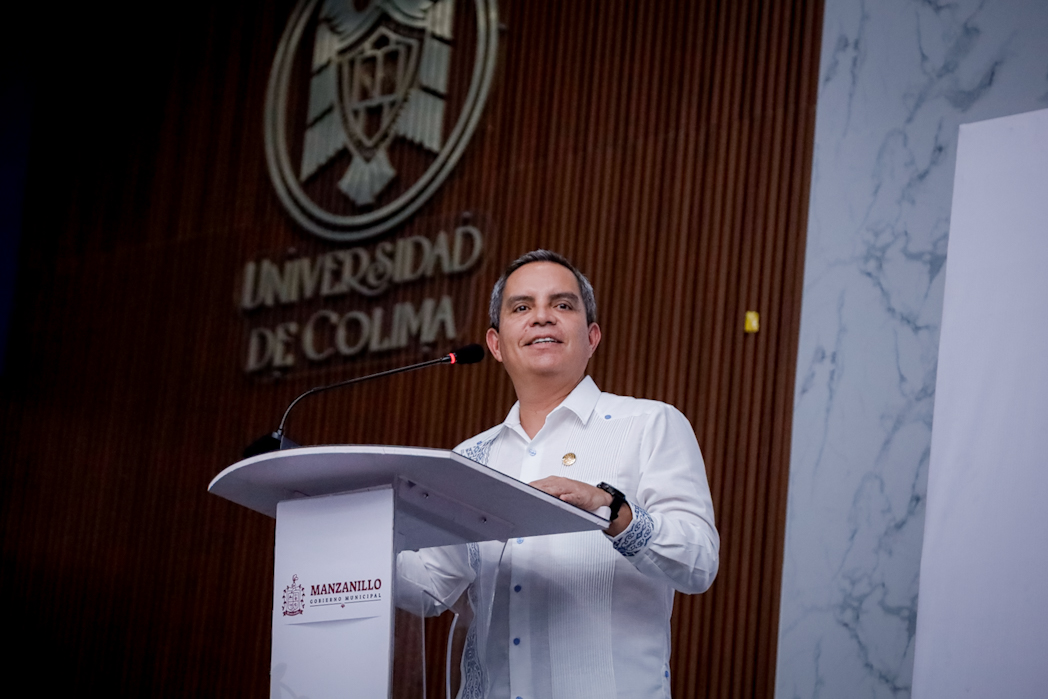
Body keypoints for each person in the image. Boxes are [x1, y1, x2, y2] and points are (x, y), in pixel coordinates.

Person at [397, 250, 719, 699]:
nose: (542, 317)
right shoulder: (469, 459)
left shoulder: (650, 425)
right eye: (522, 307)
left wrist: (613, 511)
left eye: (562, 304)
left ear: (592, 337)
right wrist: (359, 538)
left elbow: (698, 563)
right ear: (495, 344)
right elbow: (431, 587)